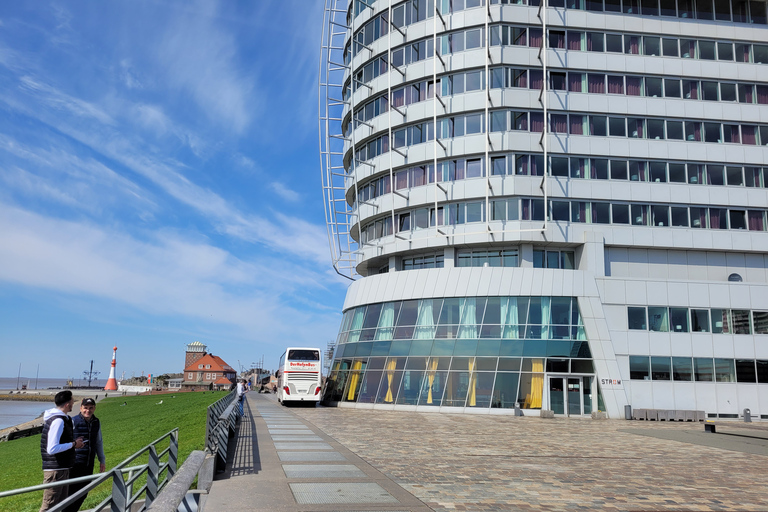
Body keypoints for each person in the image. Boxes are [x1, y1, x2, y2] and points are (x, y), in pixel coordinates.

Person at [40, 390, 84, 512]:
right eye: (72, 400)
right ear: (67, 403)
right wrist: (74, 444)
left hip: (62, 468)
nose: (73, 403)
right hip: (55, 471)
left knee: (60, 505)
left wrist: (73, 442)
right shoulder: (58, 421)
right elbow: (52, 448)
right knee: (49, 506)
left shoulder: (61, 419)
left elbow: (59, 442)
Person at [63, 398, 105, 512]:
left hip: (88, 464)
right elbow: (64, 441)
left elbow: (98, 442)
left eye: (91, 408)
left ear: (94, 408)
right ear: (81, 408)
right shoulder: (73, 421)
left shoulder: (96, 422)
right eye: (85, 408)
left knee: (83, 493)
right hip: (74, 464)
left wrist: (102, 460)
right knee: (71, 494)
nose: (88, 410)